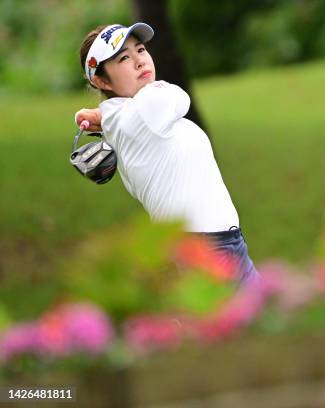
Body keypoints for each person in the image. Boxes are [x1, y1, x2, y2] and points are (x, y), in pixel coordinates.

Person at [75, 23, 260, 287]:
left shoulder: (120, 115)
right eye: (124, 58)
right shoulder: (145, 108)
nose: (139, 61)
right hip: (205, 248)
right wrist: (102, 116)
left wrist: (101, 115)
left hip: (215, 244)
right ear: (102, 81)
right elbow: (179, 96)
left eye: (140, 49)